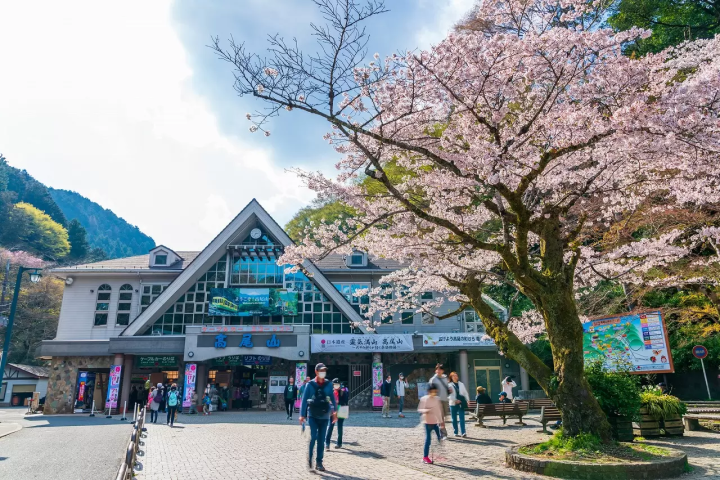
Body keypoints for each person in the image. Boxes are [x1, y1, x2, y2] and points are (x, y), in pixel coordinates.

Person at [299, 363, 337, 472]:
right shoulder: (309, 385)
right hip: (312, 415)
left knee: (321, 439)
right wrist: (302, 415)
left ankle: (319, 462)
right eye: (321, 370)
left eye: (324, 370)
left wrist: (335, 412)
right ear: (316, 372)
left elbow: (333, 399)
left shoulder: (329, 384)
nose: (323, 372)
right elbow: (304, 400)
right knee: (314, 437)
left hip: (325, 416)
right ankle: (310, 458)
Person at [418, 384, 444, 465]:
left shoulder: (437, 399)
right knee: (428, 440)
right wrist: (426, 410)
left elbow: (439, 411)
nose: (434, 393)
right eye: (432, 391)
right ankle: (425, 457)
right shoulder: (424, 399)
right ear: (429, 391)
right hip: (427, 422)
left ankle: (437, 452)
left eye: (435, 391)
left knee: (440, 437)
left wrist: (441, 422)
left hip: (435, 422)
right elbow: (419, 409)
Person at [325, 378, 348, 449]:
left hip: (341, 409)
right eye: (335, 384)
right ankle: (327, 443)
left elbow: (346, 401)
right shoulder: (330, 392)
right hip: (333, 410)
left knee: (340, 427)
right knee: (330, 426)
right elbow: (327, 400)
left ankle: (339, 443)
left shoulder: (343, 392)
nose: (336, 386)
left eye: (337, 384)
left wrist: (339, 402)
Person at [428, 364, 450, 437]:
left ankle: (437, 428)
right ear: (435, 370)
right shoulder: (433, 379)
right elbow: (430, 390)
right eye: (438, 369)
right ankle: (443, 433)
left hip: (445, 399)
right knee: (440, 417)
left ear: (443, 371)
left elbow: (447, 388)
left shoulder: (445, 378)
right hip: (437, 400)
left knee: (444, 416)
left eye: (440, 369)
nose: (439, 371)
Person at [447, 371, 469, 438]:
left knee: (462, 418)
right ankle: (455, 432)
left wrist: (468, 400)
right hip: (453, 403)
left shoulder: (461, 384)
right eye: (454, 376)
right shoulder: (449, 385)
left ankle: (463, 432)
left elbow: (465, 393)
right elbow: (448, 395)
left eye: (456, 375)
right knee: (454, 419)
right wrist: (455, 400)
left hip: (461, 403)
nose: (455, 377)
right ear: (451, 377)